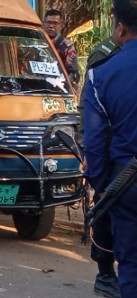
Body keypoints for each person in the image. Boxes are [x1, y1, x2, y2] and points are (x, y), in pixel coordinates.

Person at [83, 0, 137, 298]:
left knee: (131, 264)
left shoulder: (100, 75)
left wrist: (101, 186)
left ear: (120, 27)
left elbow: (94, 141)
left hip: (125, 183)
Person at [77, 35, 122, 298]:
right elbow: (89, 103)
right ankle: (105, 274)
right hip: (109, 144)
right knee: (105, 207)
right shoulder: (104, 53)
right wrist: (86, 145)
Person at [43, 9, 80, 85]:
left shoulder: (67, 46)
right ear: (44, 23)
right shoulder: (37, 43)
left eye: (55, 23)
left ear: (61, 26)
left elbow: (72, 74)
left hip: (58, 89)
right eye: (48, 22)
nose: (51, 26)